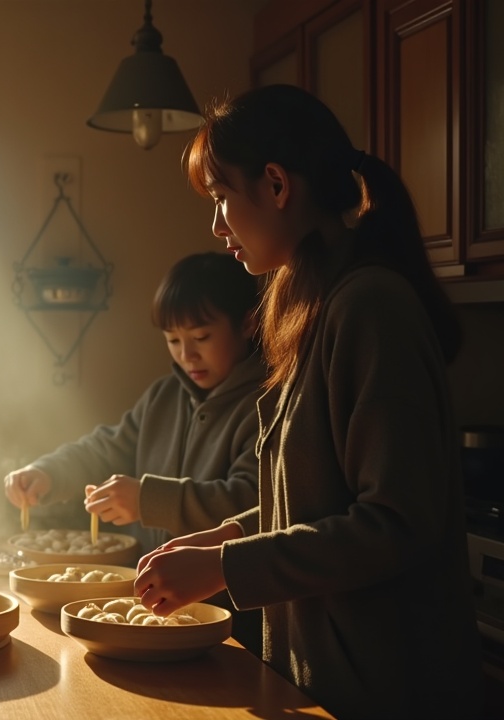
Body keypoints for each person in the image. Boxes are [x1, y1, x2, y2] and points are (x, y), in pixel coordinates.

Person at [133, 84, 482, 720]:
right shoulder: (315, 307)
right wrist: (228, 534)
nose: (216, 225)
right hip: (327, 683)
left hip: (389, 690)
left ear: (275, 184)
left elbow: (393, 523)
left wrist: (225, 567)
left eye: (220, 197)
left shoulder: (370, 306)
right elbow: (321, 496)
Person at [3, 251, 265, 647]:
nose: (186, 354)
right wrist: (48, 472)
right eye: (173, 340)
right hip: (147, 603)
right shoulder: (164, 396)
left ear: (247, 323)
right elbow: (106, 448)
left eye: (202, 337)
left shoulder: (267, 404)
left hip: (227, 619)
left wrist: (148, 500)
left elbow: (251, 501)